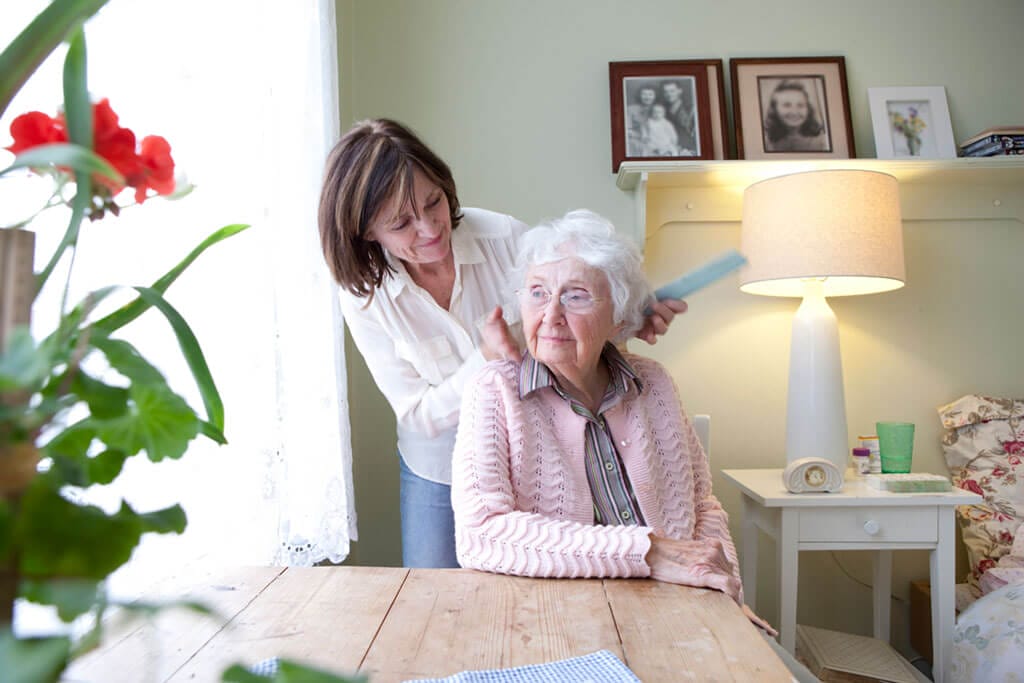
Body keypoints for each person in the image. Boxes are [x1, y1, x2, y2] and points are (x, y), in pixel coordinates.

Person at [317, 119, 687, 568]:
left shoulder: (504, 236)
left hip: (531, 450)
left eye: (433, 202)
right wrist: (485, 360)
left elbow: (568, 316)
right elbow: (417, 415)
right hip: (438, 467)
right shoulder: (365, 296)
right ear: (366, 232)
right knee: (440, 604)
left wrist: (628, 320)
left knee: (539, 582)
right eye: (401, 223)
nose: (430, 228)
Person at [450, 208, 776, 631]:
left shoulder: (653, 383)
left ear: (619, 316)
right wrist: (649, 551)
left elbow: (702, 508)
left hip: (677, 613)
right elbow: (480, 535)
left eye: (576, 295)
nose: (551, 315)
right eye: (537, 292)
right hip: (557, 623)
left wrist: (723, 590)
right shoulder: (494, 391)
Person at [763, 80, 829, 152]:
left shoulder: (823, 142)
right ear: (774, 109)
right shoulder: (766, 144)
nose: (794, 112)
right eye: (787, 105)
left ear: (808, 109)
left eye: (800, 105)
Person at [660, 79, 697, 154]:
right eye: (665, 92)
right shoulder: (661, 110)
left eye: (672, 91)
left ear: (680, 91)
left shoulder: (691, 109)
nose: (669, 94)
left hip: (688, 149)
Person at [625, 85, 656, 156]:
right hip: (636, 141)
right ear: (640, 95)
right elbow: (627, 130)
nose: (647, 97)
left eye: (650, 94)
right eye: (644, 94)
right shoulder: (631, 109)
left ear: (655, 96)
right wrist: (640, 136)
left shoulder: (658, 110)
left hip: (655, 141)